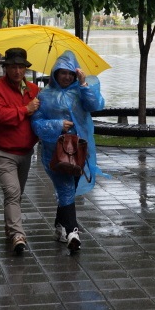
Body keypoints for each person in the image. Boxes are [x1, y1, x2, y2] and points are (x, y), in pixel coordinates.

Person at [31, 51, 105, 252]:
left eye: (71, 73)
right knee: (65, 188)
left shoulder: (81, 92)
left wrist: (83, 85)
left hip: (79, 152)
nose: (67, 77)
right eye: (63, 73)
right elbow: (36, 123)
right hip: (54, 153)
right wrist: (56, 125)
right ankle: (73, 232)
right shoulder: (44, 95)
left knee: (68, 189)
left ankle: (59, 227)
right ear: (55, 73)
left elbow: (96, 105)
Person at [0, 48, 40, 255]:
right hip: (3, 151)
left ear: (26, 69)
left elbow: (41, 116)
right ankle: (18, 234)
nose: (17, 71)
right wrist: (25, 109)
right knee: (12, 191)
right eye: (13, 66)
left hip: (25, 151)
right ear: (5, 68)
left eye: (21, 67)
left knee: (17, 194)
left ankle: (10, 228)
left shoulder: (33, 89)